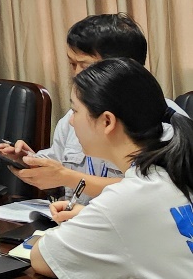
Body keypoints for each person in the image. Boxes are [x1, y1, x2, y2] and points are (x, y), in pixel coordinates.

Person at [0, 13, 187, 202]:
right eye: (72, 64)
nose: (77, 75)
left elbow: (156, 192)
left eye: (86, 67)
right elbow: (59, 174)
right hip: (75, 218)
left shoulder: (161, 120)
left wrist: (68, 177)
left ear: (122, 68)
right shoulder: (75, 117)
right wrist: (31, 162)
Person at [28, 58, 193, 278]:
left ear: (107, 121)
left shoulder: (125, 199)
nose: (71, 122)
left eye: (75, 111)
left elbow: (42, 258)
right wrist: (91, 217)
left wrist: (101, 219)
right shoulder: (172, 172)